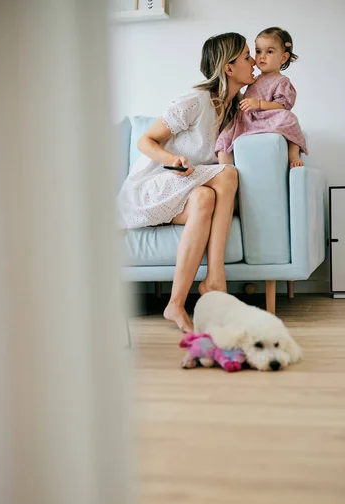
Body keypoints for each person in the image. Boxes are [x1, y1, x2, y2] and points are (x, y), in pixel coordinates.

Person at [117, 32, 255, 332]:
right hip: (155, 183)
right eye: (247, 56)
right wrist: (172, 160)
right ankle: (216, 279)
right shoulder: (195, 101)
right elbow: (145, 141)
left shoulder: (235, 112)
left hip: (191, 186)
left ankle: (175, 304)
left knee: (206, 197)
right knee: (225, 177)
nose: (254, 61)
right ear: (228, 68)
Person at [215, 27, 307, 169]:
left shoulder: (281, 81)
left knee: (289, 118)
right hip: (248, 119)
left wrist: (259, 104)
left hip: (267, 118)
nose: (262, 56)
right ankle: (226, 170)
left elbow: (282, 106)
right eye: (258, 51)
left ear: (283, 57)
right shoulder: (254, 79)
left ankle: (293, 155)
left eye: (269, 52)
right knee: (224, 138)